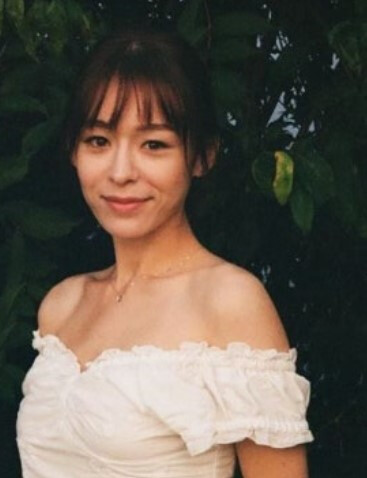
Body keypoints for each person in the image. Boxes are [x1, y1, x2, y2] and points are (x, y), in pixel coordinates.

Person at [16, 29, 313, 478]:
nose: (120, 172)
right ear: (73, 150)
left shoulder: (230, 302)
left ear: (202, 156)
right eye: (99, 141)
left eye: (153, 144)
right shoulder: (61, 306)